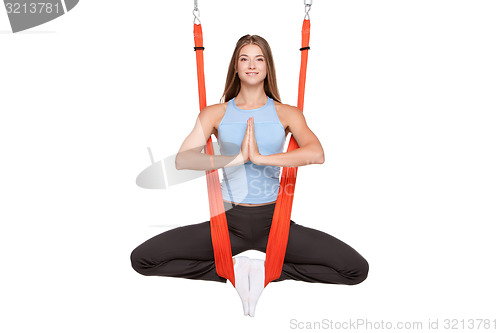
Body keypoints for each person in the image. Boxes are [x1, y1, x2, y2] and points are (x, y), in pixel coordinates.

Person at [130, 35, 369, 317]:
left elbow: (316, 154)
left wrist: (260, 158)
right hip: (228, 223)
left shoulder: (287, 113)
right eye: (244, 58)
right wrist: (236, 159)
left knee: (356, 270)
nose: (252, 65)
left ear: (268, 67)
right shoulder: (215, 114)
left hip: (274, 223)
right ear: (235, 66)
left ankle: (268, 272)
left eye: (259, 59)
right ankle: (232, 272)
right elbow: (183, 159)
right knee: (142, 260)